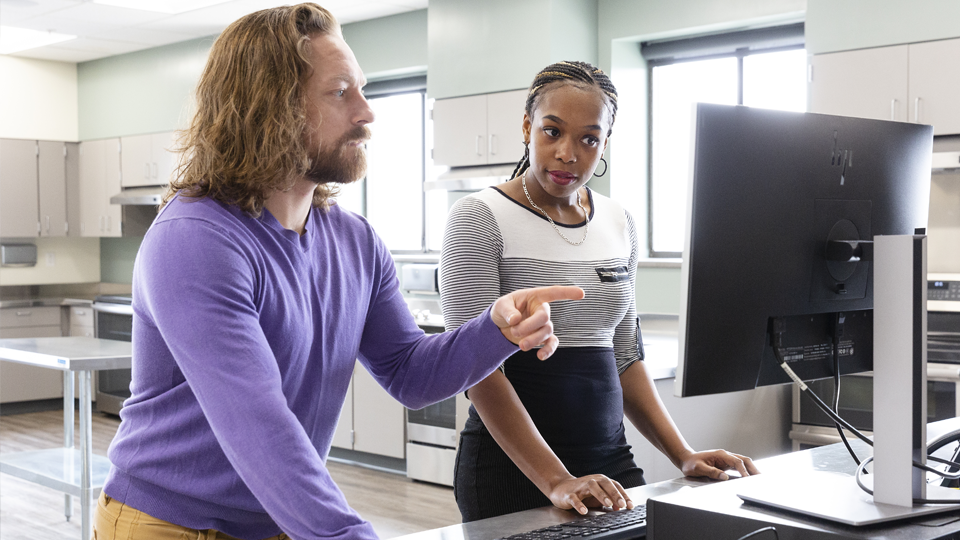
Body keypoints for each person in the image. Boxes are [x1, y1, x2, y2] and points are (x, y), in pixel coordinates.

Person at [94, 5, 584, 540]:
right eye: (340, 92)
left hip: (281, 517)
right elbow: (259, 429)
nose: (367, 112)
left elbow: (409, 373)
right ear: (269, 107)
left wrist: (495, 331)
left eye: (363, 90)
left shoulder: (354, 240)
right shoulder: (196, 238)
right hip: (168, 523)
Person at [439, 60, 760, 522]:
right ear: (527, 126)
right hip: (512, 471)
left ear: (605, 142)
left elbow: (625, 355)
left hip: (609, 465)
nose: (568, 153)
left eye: (589, 138)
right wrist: (556, 480)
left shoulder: (619, 222)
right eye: (552, 132)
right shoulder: (479, 217)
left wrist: (683, 454)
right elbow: (476, 370)